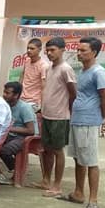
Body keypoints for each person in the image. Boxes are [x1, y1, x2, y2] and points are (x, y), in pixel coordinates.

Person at [60, 37, 105, 208]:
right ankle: (78, 193)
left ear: (94, 52)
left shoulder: (99, 73)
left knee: (91, 161)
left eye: (83, 50)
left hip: (89, 122)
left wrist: (100, 117)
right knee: (78, 159)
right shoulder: (83, 71)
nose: (79, 53)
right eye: (78, 50)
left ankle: (93, 201)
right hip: (77, 120)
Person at [36, 37, 77, 198]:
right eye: (47, 50)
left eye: (53, 50)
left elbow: (73, 93)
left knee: (58, 150)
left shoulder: (66, 69)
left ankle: (57, 185)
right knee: (47, 149)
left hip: (60, 117)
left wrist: (68, 111)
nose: (49, 53)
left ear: (62, 50)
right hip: (47, 114)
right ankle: (46, 180)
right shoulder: (49, 68)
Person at [19, 38, 50, 112]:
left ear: (39, 49)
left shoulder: (43, 65)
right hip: (21, 99)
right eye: (28, 48)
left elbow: (44, 87)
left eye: (32, 48)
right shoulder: (27, 61)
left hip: (34, 102)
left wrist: (42, 106)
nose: (29, 50)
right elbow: (22, 77)